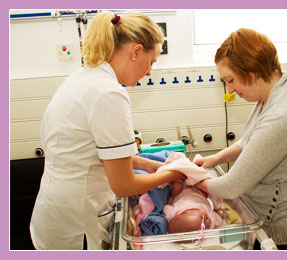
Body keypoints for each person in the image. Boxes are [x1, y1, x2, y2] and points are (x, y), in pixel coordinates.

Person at [30, 11, 184, 250]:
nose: (149, 72)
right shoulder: (109, 93)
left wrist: (151, 165)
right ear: (135, 51)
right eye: (151, 61)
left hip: (56, 210)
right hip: (76, 224)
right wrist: (172, 174)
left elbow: (98, 153)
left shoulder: (82, 78)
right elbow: (124, 185)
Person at [194, 28, 287, 250]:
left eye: (231, 80)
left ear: (253, 70)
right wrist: (216, 159)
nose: (230, 89)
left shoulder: (283, 115)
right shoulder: (275, 88)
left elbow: (231, 187)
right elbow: (251, 140)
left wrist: (193, 178)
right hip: (273, 214)